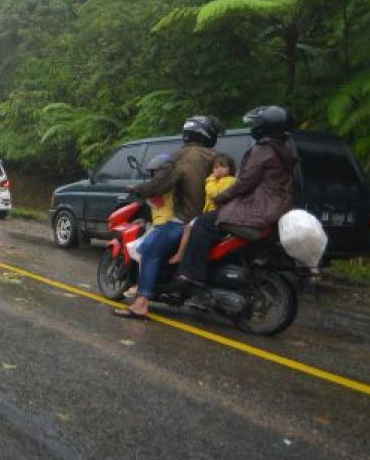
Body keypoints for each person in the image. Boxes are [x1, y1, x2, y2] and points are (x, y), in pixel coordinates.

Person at [113, 115, 222, 320]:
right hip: (212, 220)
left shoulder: (184, 156)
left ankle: (141, 303)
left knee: (148, 249)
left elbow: (159, 184)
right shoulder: (216, 157)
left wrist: (138, 189)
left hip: (184, 220)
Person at [176, 106, 297, 287]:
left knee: (203, 222)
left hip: (257, 209)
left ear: (265, 126)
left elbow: (244, 183)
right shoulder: (284, 150)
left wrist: (221, 197)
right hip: (275, 208)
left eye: (257, 123)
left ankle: (193, 275)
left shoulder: (263, 150)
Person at [169, 153, 236, 264]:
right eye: (216, 167)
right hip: (209, 214)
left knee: (189, 228)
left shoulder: (230, 180)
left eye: (223, 166)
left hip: (217, 215)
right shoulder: (216, 181)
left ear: (230, 168)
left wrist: (211, 179)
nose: (219, 169)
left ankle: (180, 255)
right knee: (189, 228)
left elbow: (213, 193)